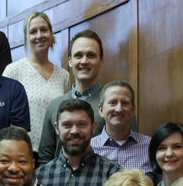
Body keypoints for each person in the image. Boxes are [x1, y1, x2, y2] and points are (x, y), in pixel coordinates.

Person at [37, 31, 137, 165]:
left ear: (101, 61)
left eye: (91, 55)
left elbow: (133, 148)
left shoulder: (118, 106)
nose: (84, 61)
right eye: (78, 55)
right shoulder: (54, 106)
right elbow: (45, 159)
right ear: (70, 61)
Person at [36, 99, 121, 186]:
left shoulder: (113, 174)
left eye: (81, 124)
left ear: (93, 127)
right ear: (57, 128)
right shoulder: (39, 177)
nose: (74, 131)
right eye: (67, 125)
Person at [3, 12, 70, 153]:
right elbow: (2, 116)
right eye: (33, 31)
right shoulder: (13, 71)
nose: (39, 35)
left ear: (51, 34)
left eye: (44, 30)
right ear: (26, 38)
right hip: (24, 153)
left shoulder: (64, 75)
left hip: (56, 153)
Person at [90, 81, 152, 175]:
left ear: (132, 110)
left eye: (125, 103)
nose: (119, 109)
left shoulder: (150, 147)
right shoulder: (89, 149)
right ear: (101, 110)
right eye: (112, 102)